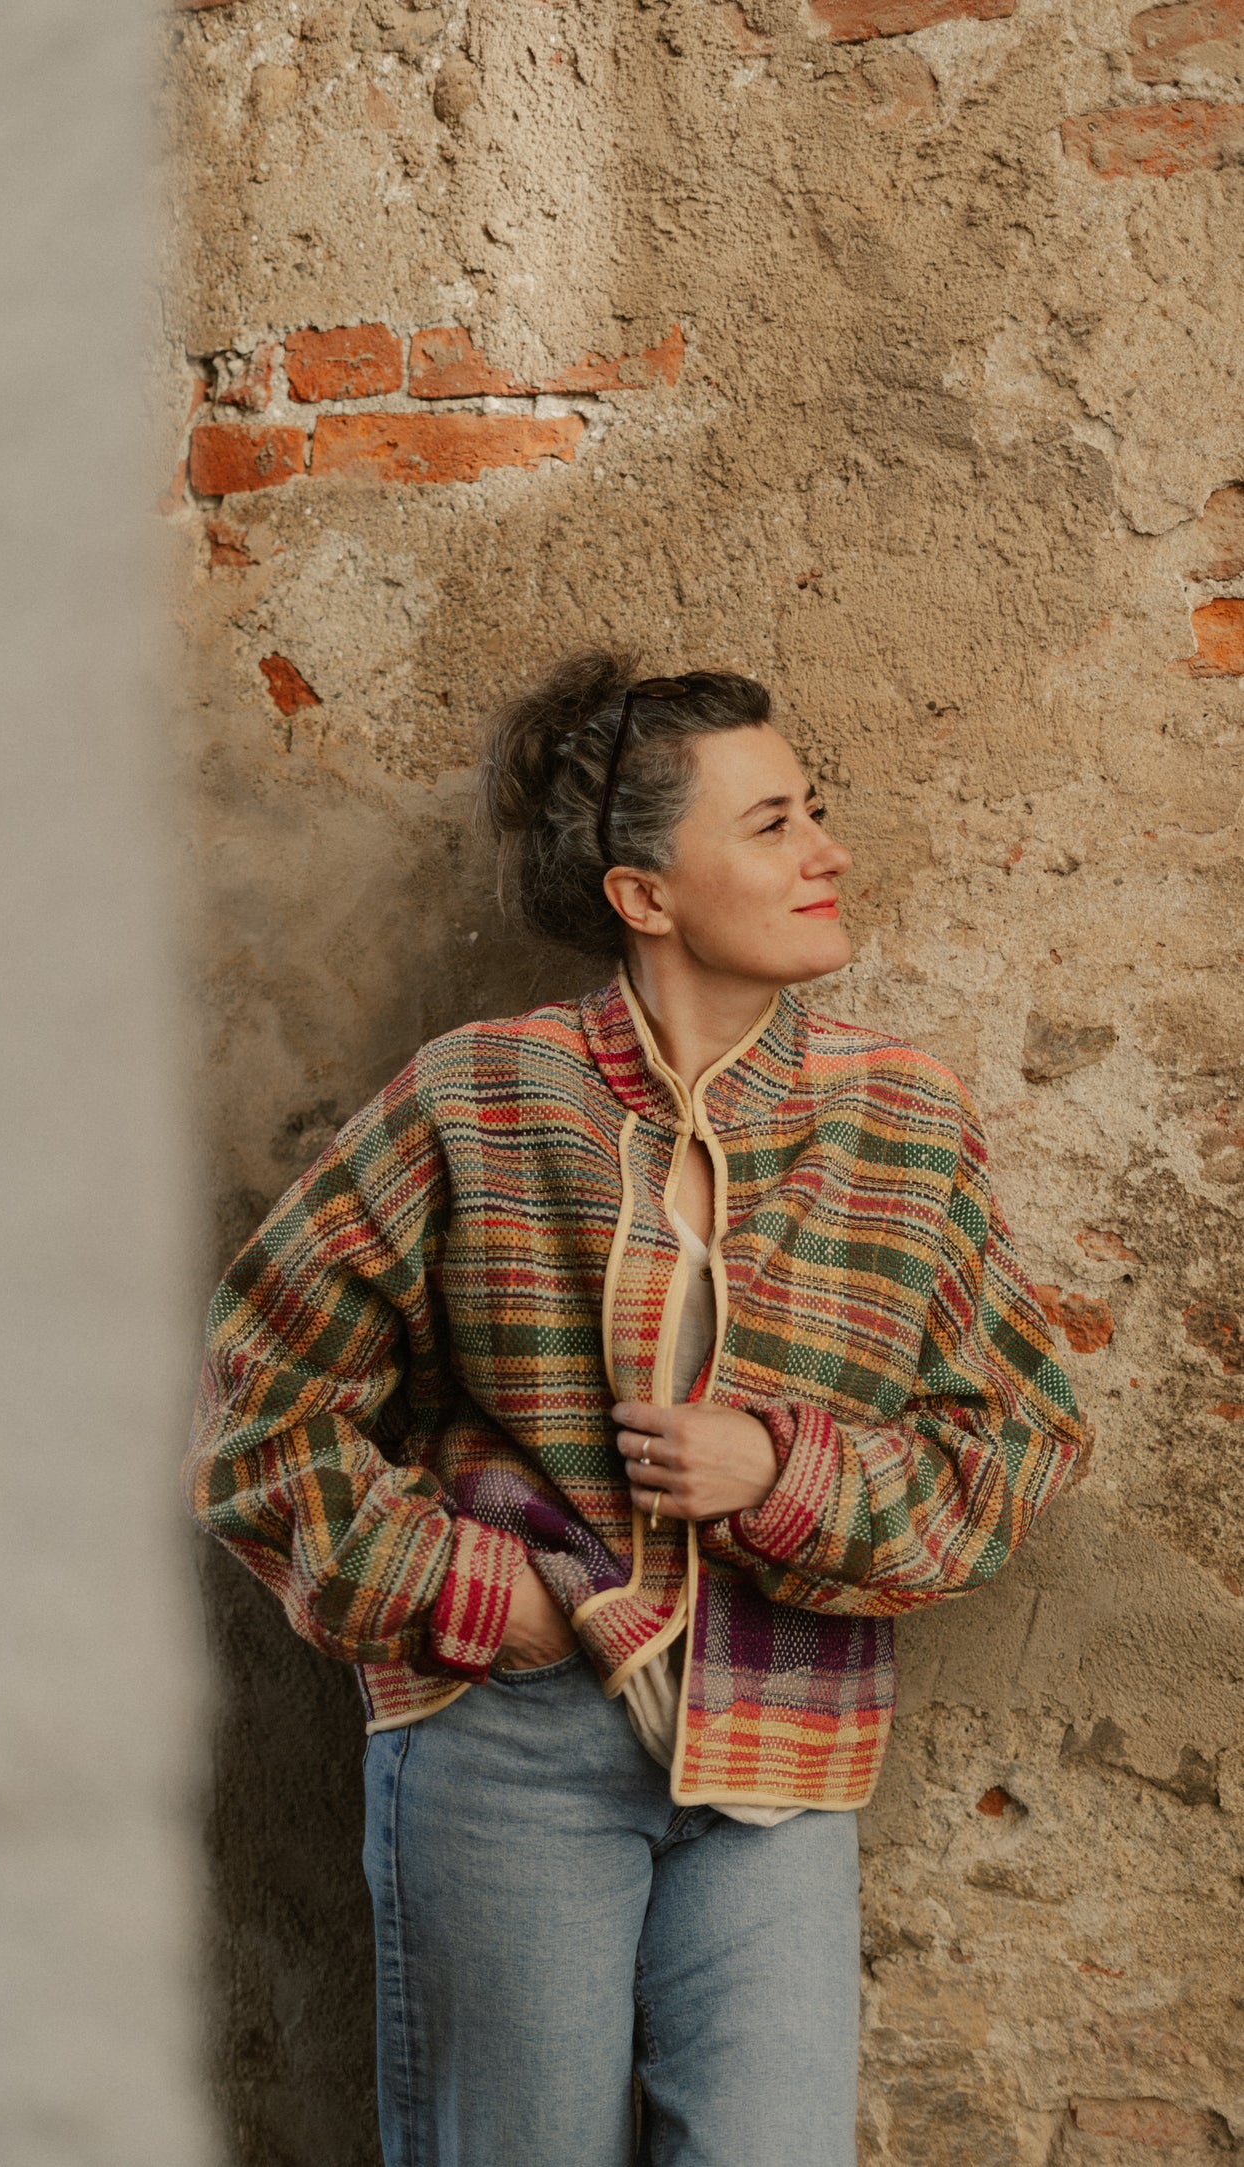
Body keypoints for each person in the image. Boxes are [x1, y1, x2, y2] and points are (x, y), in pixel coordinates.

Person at [185, 650, 1086, 2167]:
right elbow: (259, 1405)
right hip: (507, 1745)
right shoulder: (480, 1098)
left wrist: (782, 1476)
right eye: (772, 824)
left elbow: (1020, 1438)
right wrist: (479, 1596)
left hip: (781, 1758)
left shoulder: (902, 1120)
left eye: (814, 809)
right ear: (643, 894)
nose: (826, 852)